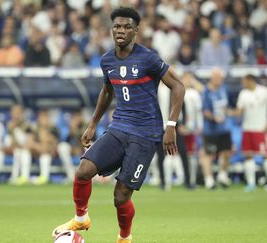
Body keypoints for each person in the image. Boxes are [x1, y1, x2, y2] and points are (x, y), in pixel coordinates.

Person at [52, 7, 185, 243]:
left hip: (145, 134)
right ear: (111, 29)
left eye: (126, 27)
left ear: (135, 31)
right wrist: (92, 124)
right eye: (116, 26)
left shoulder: (148, 58)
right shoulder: (107, 60)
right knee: (83, 171)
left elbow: (178, 86)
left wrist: (171, 125)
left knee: (120, 196)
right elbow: (107, 90)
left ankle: (124, 238)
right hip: (119, 127)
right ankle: (80, 218)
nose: (120, 31)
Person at [233, 74, 267, 192]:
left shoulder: (265, 92)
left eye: (244, 81)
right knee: (248, 155)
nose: (242, 83)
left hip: (260, 129)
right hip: (247, 128)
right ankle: (251, 183)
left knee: (265, 155)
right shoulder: (243, 94)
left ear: (250, 81)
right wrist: (231, 112)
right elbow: (239, 111)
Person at [200, 67, 232, 189]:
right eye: (217, 77)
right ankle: (209, 180)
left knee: (226, 152)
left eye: (221, 77)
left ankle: (222, 176)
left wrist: (227, 112)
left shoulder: (224, 89)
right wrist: (214, 118)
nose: (220, 79)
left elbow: (227, 106)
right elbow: (205, 110)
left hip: (224, 128)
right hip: (211, 129)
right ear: (212, 78)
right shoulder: (206, 92)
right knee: (208, 154)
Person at [4, 104, 33, 185]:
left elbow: (28, 142)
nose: (16, 115)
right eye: (14, 113)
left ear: (22, 114)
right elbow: (7, 143)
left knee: (23, 152)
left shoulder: (27, 126)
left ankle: (24, 177)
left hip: (26, 150)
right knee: (17, 151)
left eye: (18, 113)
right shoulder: (9, 125)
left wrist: (16, 129)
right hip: (12, 150)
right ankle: (14, 176)